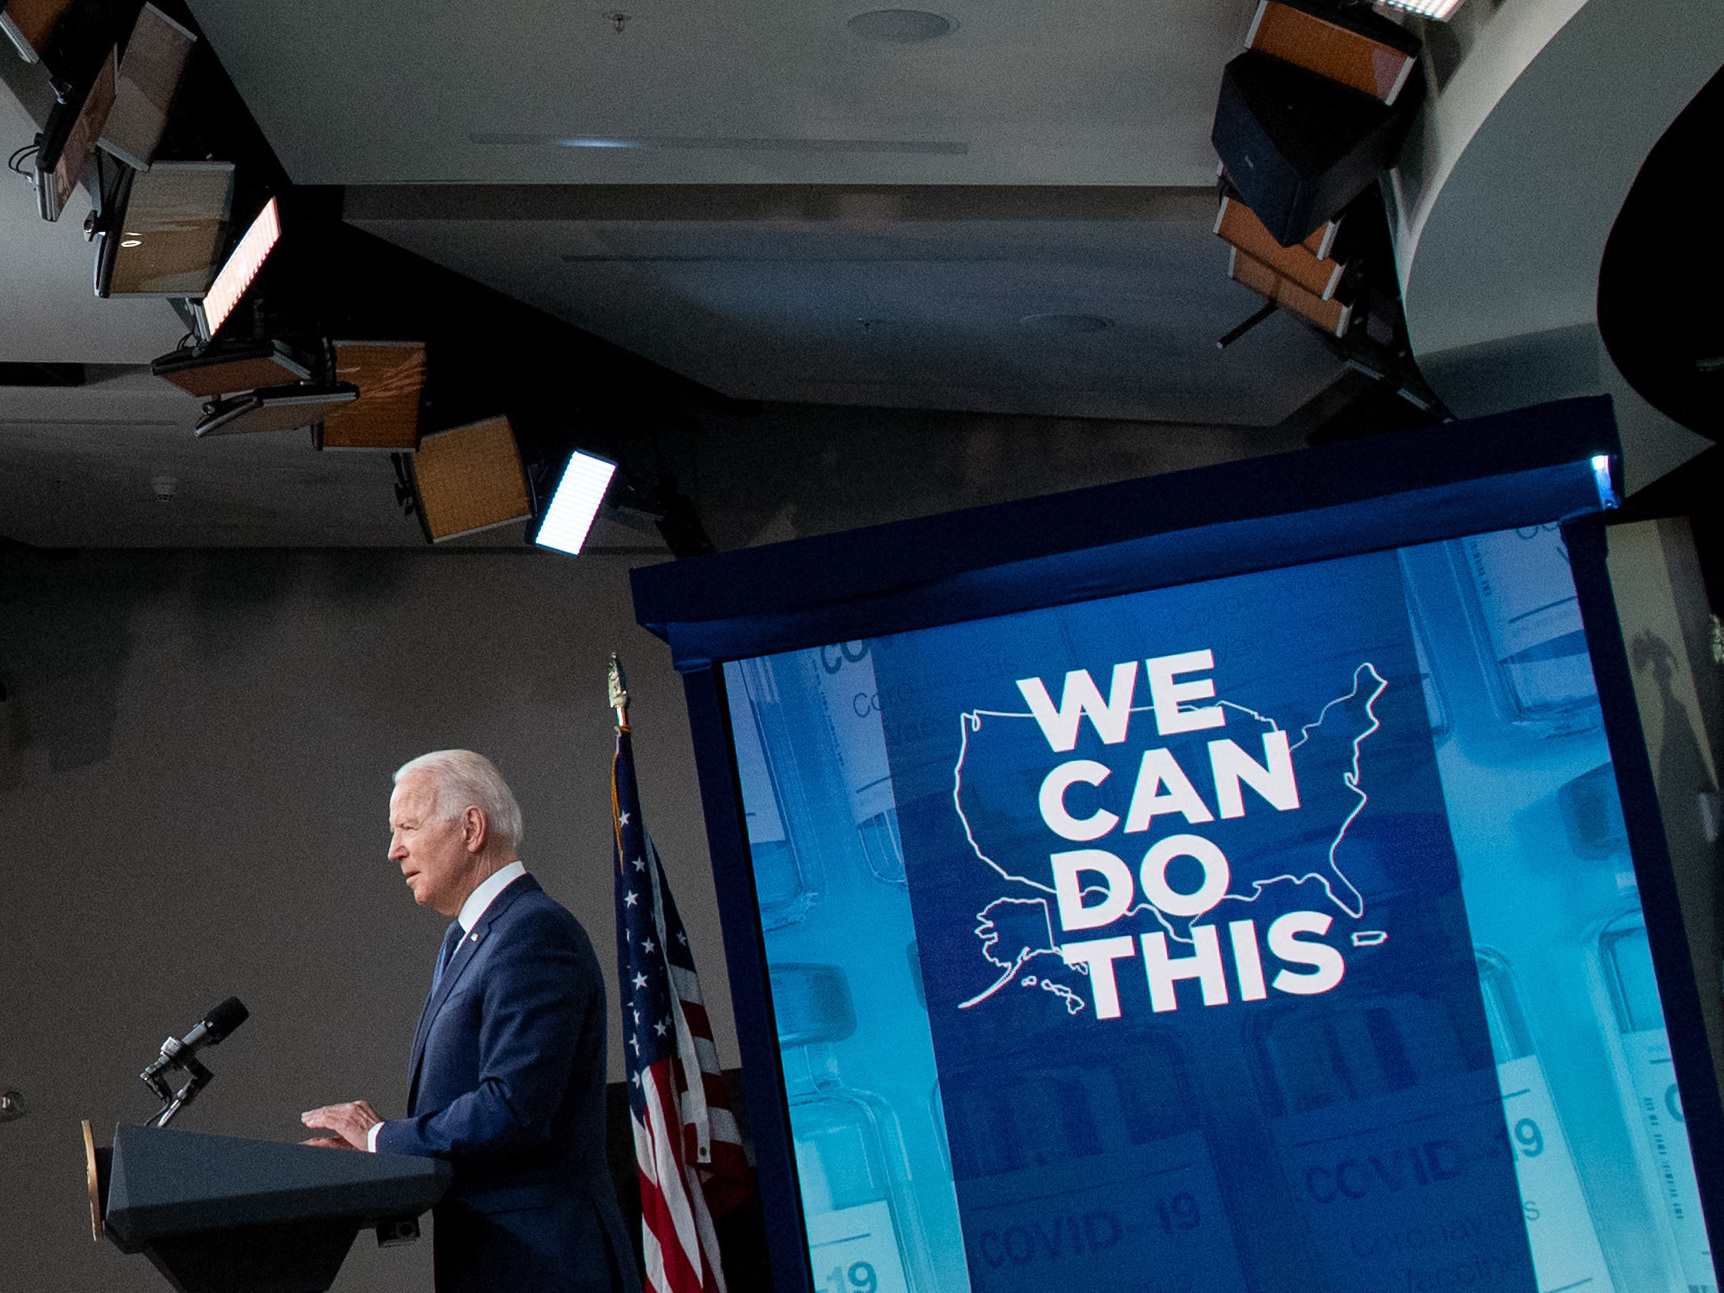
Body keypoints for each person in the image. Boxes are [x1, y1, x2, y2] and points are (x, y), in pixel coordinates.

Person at [302, 749, 639, 1293]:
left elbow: (513, 1108)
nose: (394, 850)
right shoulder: (467, 940)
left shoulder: (532, 934)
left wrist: (382, 1138)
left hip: (544, 1266)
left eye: (408, 826)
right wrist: (376, 1154)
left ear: (472, 827)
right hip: (498, 1261)